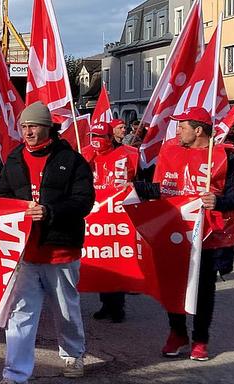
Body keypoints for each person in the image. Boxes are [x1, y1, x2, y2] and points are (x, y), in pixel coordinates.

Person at [134, 107, 234, 361]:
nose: (177, 131)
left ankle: (200, 339)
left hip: (208, 236)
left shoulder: (223, 157)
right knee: (172, 286)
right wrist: (131, 188)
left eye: (182, 126)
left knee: (203, 290)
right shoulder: (171, 152)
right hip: (173, 232)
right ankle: (177, 332)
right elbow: (160, 189)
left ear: (198, 130)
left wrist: (217, 201)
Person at [0, 101, 95, 383]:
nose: (28, 132)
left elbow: (83, 201)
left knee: (66, 311)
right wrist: (11, 209)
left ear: (48, 127)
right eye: (24, 126)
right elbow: (1, 197)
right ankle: (15, 374)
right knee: (20, 315)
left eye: (34, 126)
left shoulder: (72, 160)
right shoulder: (13, 159)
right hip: (25, 253)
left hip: (61, 249)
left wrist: (50, 211)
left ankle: (73, 356)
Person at [80, 120, 138, 323]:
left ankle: (118, 306)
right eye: (93, 137)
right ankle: (105, 303)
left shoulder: (128, 153)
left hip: (120, 216)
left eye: (101, 137)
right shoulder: (86, 154)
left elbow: (141, 179)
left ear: (110, 137)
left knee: (117, 260)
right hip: (96, 215)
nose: (97, 142)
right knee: (101, 259)